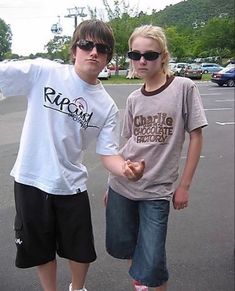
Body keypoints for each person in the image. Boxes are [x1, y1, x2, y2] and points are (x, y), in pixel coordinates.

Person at [0, 20, 144, 291]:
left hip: (70, 184)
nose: (93, 52)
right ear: (74, 49)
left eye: (102, 49)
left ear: (108, 59)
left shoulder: (107, 107)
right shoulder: (44, 72)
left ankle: (77, 289)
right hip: (30, 178)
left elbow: (108, 154)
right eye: (86, 44)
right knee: (40, 249)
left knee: (80, 249)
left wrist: (125, 168)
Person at [105, 25, 208, 291]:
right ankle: (139, 284)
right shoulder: (133, 98)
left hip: (157, 191)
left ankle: (146, 281)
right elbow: (127, 144)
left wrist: (184, 186)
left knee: (152, 261)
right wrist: (111, 179)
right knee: (127, 248)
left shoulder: (183, 88)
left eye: (150, 55)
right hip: (122, 187)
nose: (142, 60)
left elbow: (196, 136)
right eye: (135, 54)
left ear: (163, 56)